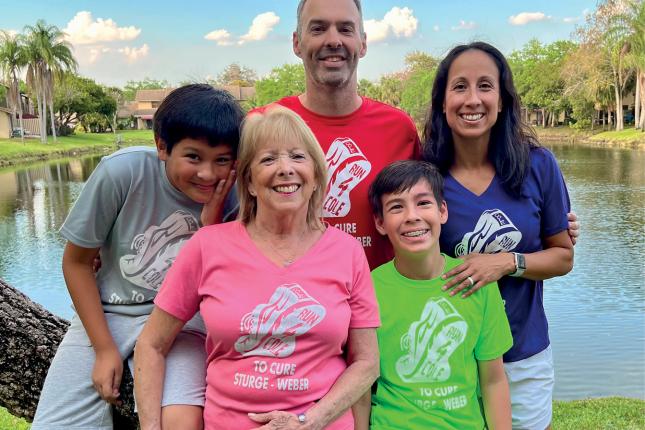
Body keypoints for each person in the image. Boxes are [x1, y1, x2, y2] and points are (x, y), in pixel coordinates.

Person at [134, 106, 380, 430]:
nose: (285, 169)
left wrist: (309, 420)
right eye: (268, 160)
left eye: (297, 157)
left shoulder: (346, 251)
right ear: (249, 182)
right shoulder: (207, 246)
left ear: (316, 174)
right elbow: (150, 345)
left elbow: (366, 362)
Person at [31, 84, 242, 430]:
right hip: (111, 312)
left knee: (182, 421)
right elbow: (77, 262)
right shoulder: (121, 173)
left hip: (186, 323)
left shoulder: (233, 193)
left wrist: (211, 226)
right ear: (162, 147)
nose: (208, 173)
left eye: (221, 160)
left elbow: (229, 282)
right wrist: (103, 349)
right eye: (193, 157)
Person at [422, 42, 574, 429]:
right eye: (460, 87)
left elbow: (562, 256)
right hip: (450, 359)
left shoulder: (538, 165)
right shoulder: (424, 176)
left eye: (485, 86)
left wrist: (508, 262)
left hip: (523, 357)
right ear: (442, 102)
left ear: (502, 100)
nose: (472, 99)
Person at [253, 0, 421, 270]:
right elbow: (235, 222)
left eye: (345, 29)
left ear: (363, 43)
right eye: (318, 29)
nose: (333, 40)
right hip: (294, 302)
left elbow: (425, 214)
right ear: (297, 43)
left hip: (380, 302)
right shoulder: (263, 125)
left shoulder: (399, 128)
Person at [364, 160, 512, 429]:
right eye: (397, 207)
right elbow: (362, 384)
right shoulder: (369, 288)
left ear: (442, 211)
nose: (412, 216)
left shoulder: (477, 281)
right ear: (380, 222)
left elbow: (493, 380)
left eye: (423, 203)